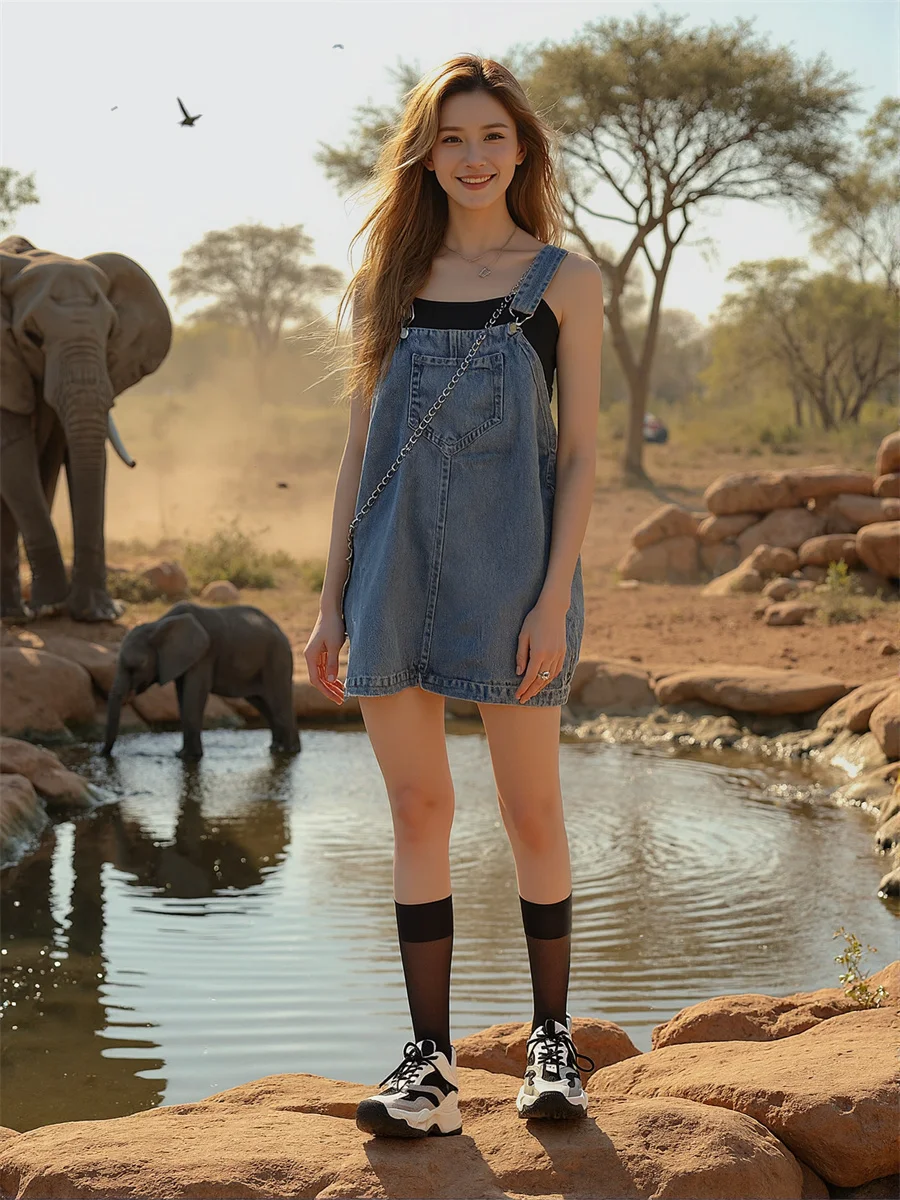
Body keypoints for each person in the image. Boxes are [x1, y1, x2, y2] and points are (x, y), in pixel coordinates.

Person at [304, 53, 603, 1139]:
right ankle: (429, 1066)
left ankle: (551, 1048)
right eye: (451, 139)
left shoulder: (564, 281)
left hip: (514, 577)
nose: (473, 158)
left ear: (521, 149)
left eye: (491, 138)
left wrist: (550, 595)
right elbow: (354, 455)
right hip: (389, 576)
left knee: (532, 813)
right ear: (425, 155)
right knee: (419, 812)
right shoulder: (386, 280)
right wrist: (330, 601)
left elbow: (580, 459)